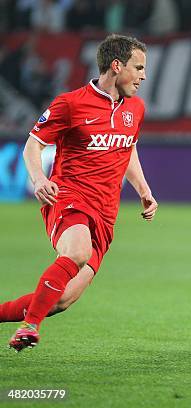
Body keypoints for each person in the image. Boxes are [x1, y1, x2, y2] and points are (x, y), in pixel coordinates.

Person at [1, 34, 158, 351]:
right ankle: (29, 326)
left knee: (61, 300)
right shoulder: (70, 104)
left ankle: (25, 316)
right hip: (69, 198)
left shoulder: (135, 109)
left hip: (106, 213)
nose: (143, 76)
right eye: (138, 68)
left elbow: (127, 149)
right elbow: (33, 145)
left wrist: (144, 189)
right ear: (116, 66)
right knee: (76, 253)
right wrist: (38, 179)